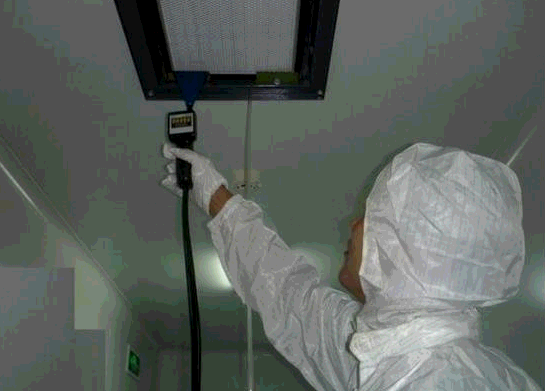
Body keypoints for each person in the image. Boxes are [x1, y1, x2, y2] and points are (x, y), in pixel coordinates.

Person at [161, 142, 543, 391]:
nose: (355, 225)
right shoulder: (380, 348)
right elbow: (290, 294)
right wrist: (213, 195)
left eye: (372, 217)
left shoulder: (445, 381)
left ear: (408, 254)